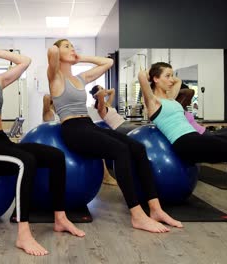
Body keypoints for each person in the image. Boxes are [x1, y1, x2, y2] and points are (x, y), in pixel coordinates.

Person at [0, 34, 84, 256]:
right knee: (26, 161)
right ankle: (23, 233)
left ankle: (60, 218)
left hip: (1, 140)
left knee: (55, 156)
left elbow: (25, 62)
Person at [47, 39, 182, 233]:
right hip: (73, 130)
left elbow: (108, 63)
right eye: (67, 46)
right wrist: (60, 52)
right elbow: (51, 51)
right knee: (120, 151)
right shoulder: (55, 77)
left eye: (72, 46)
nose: (72, 48)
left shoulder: (80, 78)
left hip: (88, 125)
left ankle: (155, 208)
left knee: (137, 147)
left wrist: (81, 57)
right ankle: (137, 215)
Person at [138, 62, 227, 229]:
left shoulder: (171, 99)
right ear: (155, 78)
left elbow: (177, 81)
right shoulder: (152, 102)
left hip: (194, 137)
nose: (172, 80)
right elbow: (141, 75)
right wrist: (153, 72)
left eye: (171, 75)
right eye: (167, 76)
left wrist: (166, 74)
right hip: (184, 143)